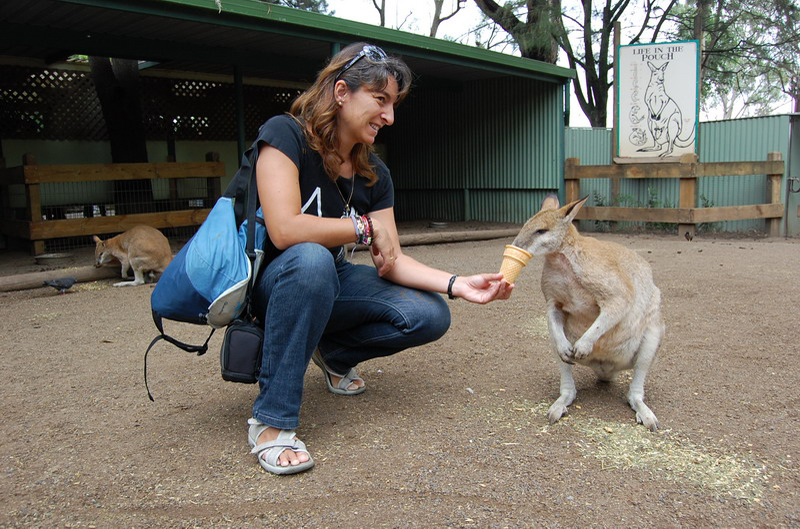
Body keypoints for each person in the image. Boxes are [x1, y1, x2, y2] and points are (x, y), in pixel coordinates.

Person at [246, 42, 512, 475]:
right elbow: (285, 229)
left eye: (393, 105)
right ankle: (272, 422)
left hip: (328, 278)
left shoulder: (374, 173)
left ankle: (333, 353)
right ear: (341, 92)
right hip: (275, 284)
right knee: (311, 260)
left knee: (428, 314)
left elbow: (391, 261)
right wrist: (364, 228)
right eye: (381, 100)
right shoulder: (285, 135)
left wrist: (457, 283)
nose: (389, 117)